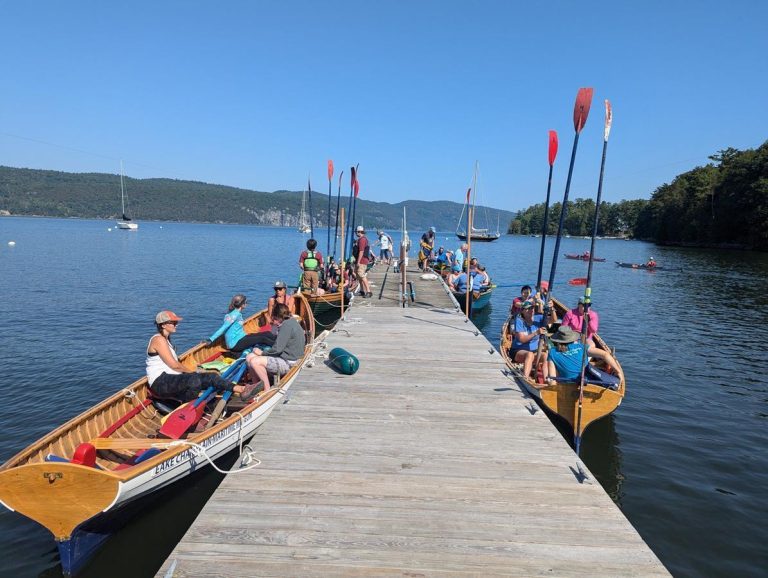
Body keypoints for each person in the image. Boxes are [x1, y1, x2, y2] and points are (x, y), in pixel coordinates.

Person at [147, 311, 259, 403]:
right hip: (160, 382)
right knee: (194, 380)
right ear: (163, 325)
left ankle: (242, 389)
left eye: (176, 322)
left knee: (212, 376)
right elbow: (174, 365)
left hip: (171, 378)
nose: (177, 324)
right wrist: (193, 373)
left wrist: (195, 374)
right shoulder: (158, 340)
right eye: (173, 322)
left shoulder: (166, 340)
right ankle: (189, 407)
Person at [246, 303, 305, 392]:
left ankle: (267, 390)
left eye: (274, 319)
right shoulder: (292, 321)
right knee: (249, 357)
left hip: (289, 363)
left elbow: (277, 349)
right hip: (288, 357)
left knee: (255, 361)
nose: (274, 322)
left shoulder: (286, 326)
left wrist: (262, 353)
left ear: (279, 317)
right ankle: (256, 386)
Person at [546, 325, 621, 383]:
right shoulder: (581, 347)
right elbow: (605, 355)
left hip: (568, 386)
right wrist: (618, 372)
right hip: (588, 382)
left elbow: (552, 378)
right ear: (572, 338)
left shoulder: (552, 352)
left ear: (557, 340)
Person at [206, 294, 276, 353]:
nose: (246, 304)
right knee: (263, 338)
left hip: (241, 338)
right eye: (246, 302)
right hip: (235, 344)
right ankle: (280, 348)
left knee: (267, 333)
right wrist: (211, 339)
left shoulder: (235, 313)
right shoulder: (234, 315)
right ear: (242, 304)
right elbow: (223, 328)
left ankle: (282, 341)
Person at [509, 300, 557, 380]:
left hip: (535, 351)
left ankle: (546, 380)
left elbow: (553, 320)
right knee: (529, 354)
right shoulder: (519, 321)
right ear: (523, 311)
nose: (531, 310)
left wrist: (552, 308)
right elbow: (522, 339)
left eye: (532, 308)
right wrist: (536, 333)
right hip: (518, 351)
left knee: (545, 355)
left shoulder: (538, 318)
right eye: (528, 309)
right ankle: (526, 378)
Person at [352, 225, 372, 298]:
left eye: (356, 232)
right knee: (358, 276)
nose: (355, 233)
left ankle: (369, 291)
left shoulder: (362, 240)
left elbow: (361, 251)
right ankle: (362, 291)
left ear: (359, 232)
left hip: (362, 261)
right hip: (360, 260)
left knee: (361, 275)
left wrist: (358, 262)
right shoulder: (360, 239)